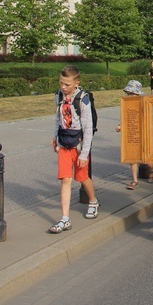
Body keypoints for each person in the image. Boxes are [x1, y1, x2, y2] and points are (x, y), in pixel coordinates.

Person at [48, 65, 99, 234]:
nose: (63, 87)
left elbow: (88, 128)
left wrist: (84, 154)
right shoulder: (59, 96)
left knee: (82, 177)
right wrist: (55, 136)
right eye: (61, 83)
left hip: (78, 143)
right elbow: (58, 118)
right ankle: (65, 218)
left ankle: (93, 201)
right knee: (65, 179)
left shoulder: (82, 99)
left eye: (67, 84)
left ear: (77, 83)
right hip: (64, 142)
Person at [115, 80, 153, 190]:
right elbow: (125, 116)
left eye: (132, 93)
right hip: (132, 134)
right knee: (132, 158)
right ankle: (134, 180)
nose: (129, 95)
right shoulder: (126, 103)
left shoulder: (143, 103)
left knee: (147, 158)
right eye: (128, 93)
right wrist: (120, 125)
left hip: (143, 132)